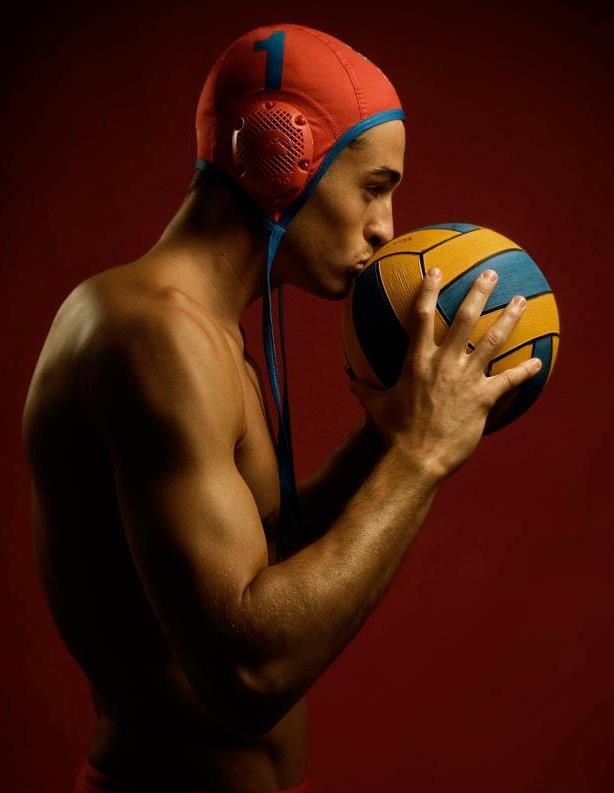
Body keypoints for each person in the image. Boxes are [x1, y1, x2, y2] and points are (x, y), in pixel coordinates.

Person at [21, 23, 542, 793]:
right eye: (373, 186)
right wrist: (422, 455)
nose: (384, 228)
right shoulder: (152, 335)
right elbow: (247, 675)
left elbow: (263, 560)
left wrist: (387, 432)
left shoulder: (200, 331)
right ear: (279, 157)